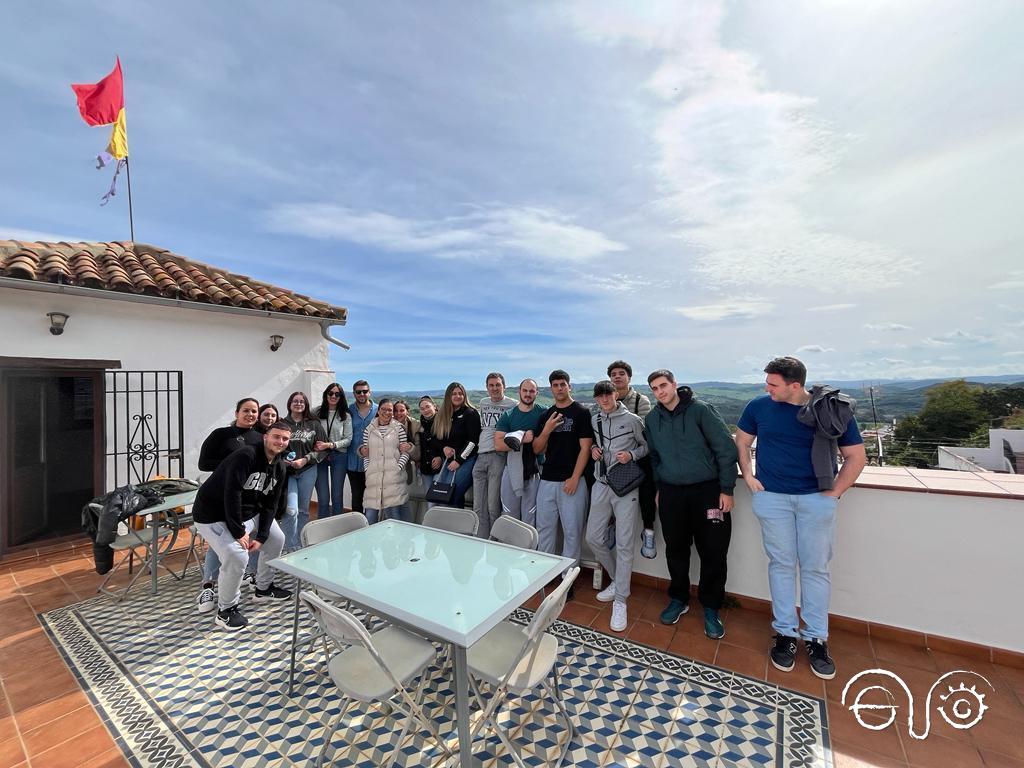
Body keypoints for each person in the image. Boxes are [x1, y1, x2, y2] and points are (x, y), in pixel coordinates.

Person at [735, 356, 866, 680]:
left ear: (795, 386)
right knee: (780, 566)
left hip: (815, 499)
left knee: (815, 569)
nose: (767, 388)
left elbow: (855, 457)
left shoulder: (830, 410)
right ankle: (785, 634)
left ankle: (816, 638)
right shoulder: (758, 407)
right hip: (773, 498)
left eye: (773, 384)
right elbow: (742, 440)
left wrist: (834, 494)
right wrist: (749, 476)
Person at [645, 370, 738, 640]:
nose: (660, 392)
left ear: (674, 385)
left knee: (713, 551)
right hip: (672, 493)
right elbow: (654, 457)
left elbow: (725, 449)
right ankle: (679, 598)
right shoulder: (652, 419)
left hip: (708, 492)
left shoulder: (700, 411)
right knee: (675, 549)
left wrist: (727, 489)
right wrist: (661, 487)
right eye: (655, 388)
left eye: (663, 385)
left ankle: (711, 606)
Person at [192, 420, 293, 630]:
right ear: (265, 436)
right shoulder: (246, 455)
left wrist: (262, 535)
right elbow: (232, 493)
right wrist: (238, 531)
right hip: (213, 514)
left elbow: (270, 504)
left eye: (285, 438)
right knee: (237, 554)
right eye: (276, 436)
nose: (280, 441)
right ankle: (226, 610)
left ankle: (263, 588)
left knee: (277, 539)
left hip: (249, 510)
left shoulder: (280, 467)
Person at [585, 380, 648, 632]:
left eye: (607, 395)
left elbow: (647, 447)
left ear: (615, 395)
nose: (604, 400)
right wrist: (593, 450)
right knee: (593, 538)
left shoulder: (632, 419)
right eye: (599, 397)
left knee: (624, 543)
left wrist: (631, 455)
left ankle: (621, 600)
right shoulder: (594, 419)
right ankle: (616, 579)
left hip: (626, 486)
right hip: (601, 483)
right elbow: (594, 443)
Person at [194, 398, 263, 614]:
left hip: (245, 498)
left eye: (254, 411)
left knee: (235, 543)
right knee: (221, 542)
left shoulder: (259, 438)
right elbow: (203, 463)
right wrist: (232, 464)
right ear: (236, 413)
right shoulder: (221, 435)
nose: (250, 414)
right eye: (246, 410)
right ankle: (208, 585)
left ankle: (235, 577)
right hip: (221, 495)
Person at [532, 370, 594, 582]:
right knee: (545, 530)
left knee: (572, 532)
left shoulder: (581, 412)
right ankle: (545, 576)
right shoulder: (545, 415)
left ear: (570, 386)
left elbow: (585, 448)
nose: (559, 388)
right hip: (548, 480)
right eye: (555, 385)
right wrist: (547, 429)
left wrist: (575, 477)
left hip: (572, 481)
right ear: (551, 389)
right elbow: (537, 449)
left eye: (562, 384)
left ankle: (567, 581)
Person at [608, 361, 657, 559]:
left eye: (621, 373)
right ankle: (611, 526)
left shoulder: (640, 400)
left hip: (638, 457)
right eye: (613, 374)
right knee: (608, 490)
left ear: (629, 377)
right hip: (615, 459)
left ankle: (649, 531)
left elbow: (644, 432)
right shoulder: (606, 398)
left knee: (646, 494)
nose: (617, 377)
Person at [494, 378, 545, 526]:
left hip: (536, 470)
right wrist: (522, 439)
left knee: (531, 516)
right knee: (510, 515)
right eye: (525, 390)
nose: (528, 394)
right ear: (519, 392)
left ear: (537, 393)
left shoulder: (543, 412)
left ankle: (528, 548)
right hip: (512, 469)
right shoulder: (509, 415)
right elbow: (498, 444)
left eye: (531, 391)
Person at [473, 373, 518, 538]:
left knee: (493, 505)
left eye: (498, 385)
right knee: (478, 506)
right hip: (480, 455)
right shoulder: (483, 402)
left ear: (504, 386)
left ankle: (494, 541)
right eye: (491, 385)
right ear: (487, 387)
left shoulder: (513, 404)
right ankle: (480, 539)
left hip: (498, 456)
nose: (494, 388)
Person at [282, 391, 326, 550]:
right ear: (290, 403)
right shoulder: (282, 423)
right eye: (295, 401)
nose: (298, 403)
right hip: (288, 473)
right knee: (290, 510)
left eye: (302, 401)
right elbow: (275, 447)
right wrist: (285, 459)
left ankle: (299, 543)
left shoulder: (314, 424)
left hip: (308, 470)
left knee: (303, 510)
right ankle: (289, 544)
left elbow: (323, 448)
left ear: (306, 405)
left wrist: (306, 459)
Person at [358, 399, 413, 523]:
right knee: (370, 517)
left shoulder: (398, 428)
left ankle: (396, 542)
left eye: (390, 410)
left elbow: (405, 451)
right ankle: (371, 543)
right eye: (384, 409)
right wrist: (368, 469)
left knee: (393, 520)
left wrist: (397, 468)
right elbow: (366, 453)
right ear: (378, 410)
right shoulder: (369, 429)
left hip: (393, 480)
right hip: (374, 480)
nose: (387, 412)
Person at [432, 382, 481, 508]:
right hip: (447, 461)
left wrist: (459, 460)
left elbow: (473, 442)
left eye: (460, 393)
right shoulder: (443, 415)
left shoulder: (471, 413)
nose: (457, 396)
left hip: (466, 460)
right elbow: (435, 437)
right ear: (448, 396)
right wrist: (444, 448)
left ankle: (456, 526)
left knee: (452, 494)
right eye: (454, 394)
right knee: (443, 495)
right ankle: (447, 526)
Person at [314, 383, 352, 519]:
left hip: (339, 455)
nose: (334, 396)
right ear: (326, 394)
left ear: (341, 397)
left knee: (337, 496)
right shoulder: (316, 412)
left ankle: (337, 528)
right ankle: (322, 529)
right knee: (323, 497)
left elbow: (348, 439)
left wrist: (330, 445)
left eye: (337, 394)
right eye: (331, 393)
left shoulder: (345, 415)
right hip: (320, 456)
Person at [346, 380, 378, 513]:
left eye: (364, 391)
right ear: (354, 394)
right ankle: (357, 526)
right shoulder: (349, 411)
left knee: (372, 496)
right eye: (358, 392)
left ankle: (370, 525)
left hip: (373, 461)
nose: (362, 394)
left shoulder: (377, 410)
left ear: (369, 392)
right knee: (357, 496)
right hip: (353, 461)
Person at [416, 396, 443, 506]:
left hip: (441, 468)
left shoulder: (443, 423)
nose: (425, 410)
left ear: (434, 407)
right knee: (430, 501)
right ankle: (430, 523)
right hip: (425, 468)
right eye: (422, 408)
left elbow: (449, 442)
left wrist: (441, 457)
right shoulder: (419, 425)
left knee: (440, 499)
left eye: (428, 407)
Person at [393, 400, 421, 486]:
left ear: (407, 412)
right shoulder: (387, 424)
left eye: (402, 410)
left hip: (405, 467)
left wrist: (410, 448)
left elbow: (418, 454)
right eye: (396, 411)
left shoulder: (415, 426)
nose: (398, 414)